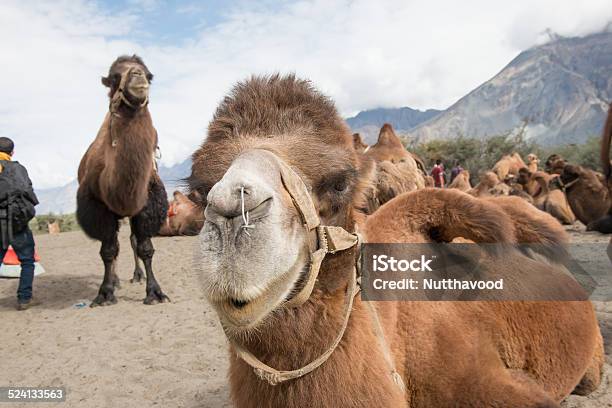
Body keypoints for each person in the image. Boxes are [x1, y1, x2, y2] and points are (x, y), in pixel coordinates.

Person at [0, 137, 39, 310]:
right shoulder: (18, 169)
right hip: (17, 223)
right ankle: (24, 299)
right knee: (27, 261)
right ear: (12, 152)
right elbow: (28, 192)